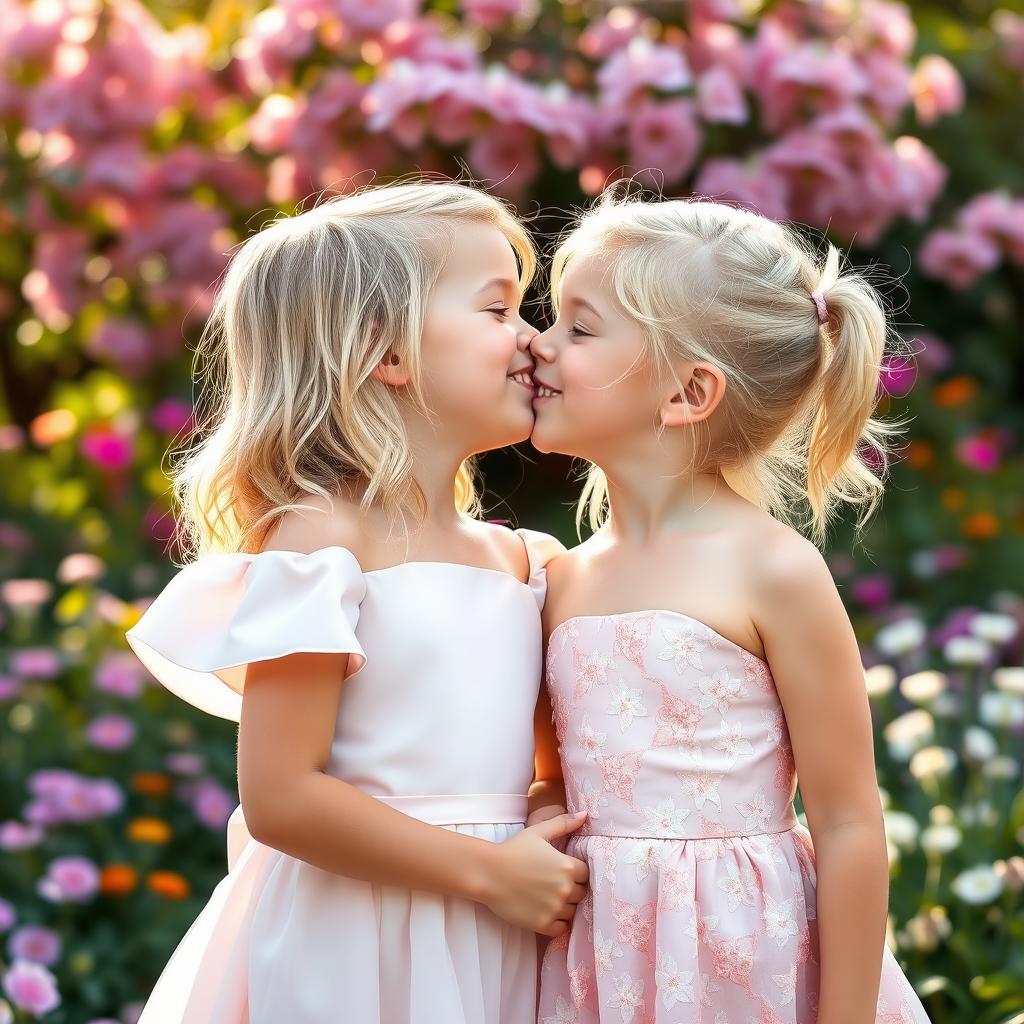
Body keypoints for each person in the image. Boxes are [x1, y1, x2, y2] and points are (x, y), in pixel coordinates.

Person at [125, 181, 589, 1024]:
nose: (532, 339)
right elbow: (281, 796)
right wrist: (487, 871)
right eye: (497, 309)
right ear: (388, 351)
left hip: (496, 932)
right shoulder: (322, 548)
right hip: (351, 939)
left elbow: (551, 773)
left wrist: (543, 841)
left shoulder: (529, 565)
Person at [529, 192, 930, 1023]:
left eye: (580, 327)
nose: (539, 344)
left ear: (687, 392)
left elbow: (850, 819)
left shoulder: (773, 570)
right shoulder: (558, 580)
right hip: (602, 967)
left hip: (748, 962)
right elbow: (550, 779)